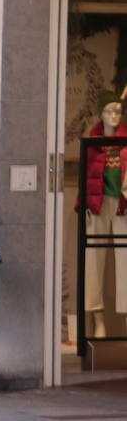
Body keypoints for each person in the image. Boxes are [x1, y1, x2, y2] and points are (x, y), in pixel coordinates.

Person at [77, 94, 126, 338]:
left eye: (118, 110)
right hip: (97, 204)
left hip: (123, 205)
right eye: (109, 110)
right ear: (101, 113)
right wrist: (82, 204)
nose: (114, 115)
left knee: (125, 261)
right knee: (94, 262)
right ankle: (98, 320)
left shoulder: (126, 141)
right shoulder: (93, 143)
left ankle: (125, 319)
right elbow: (85, 178)